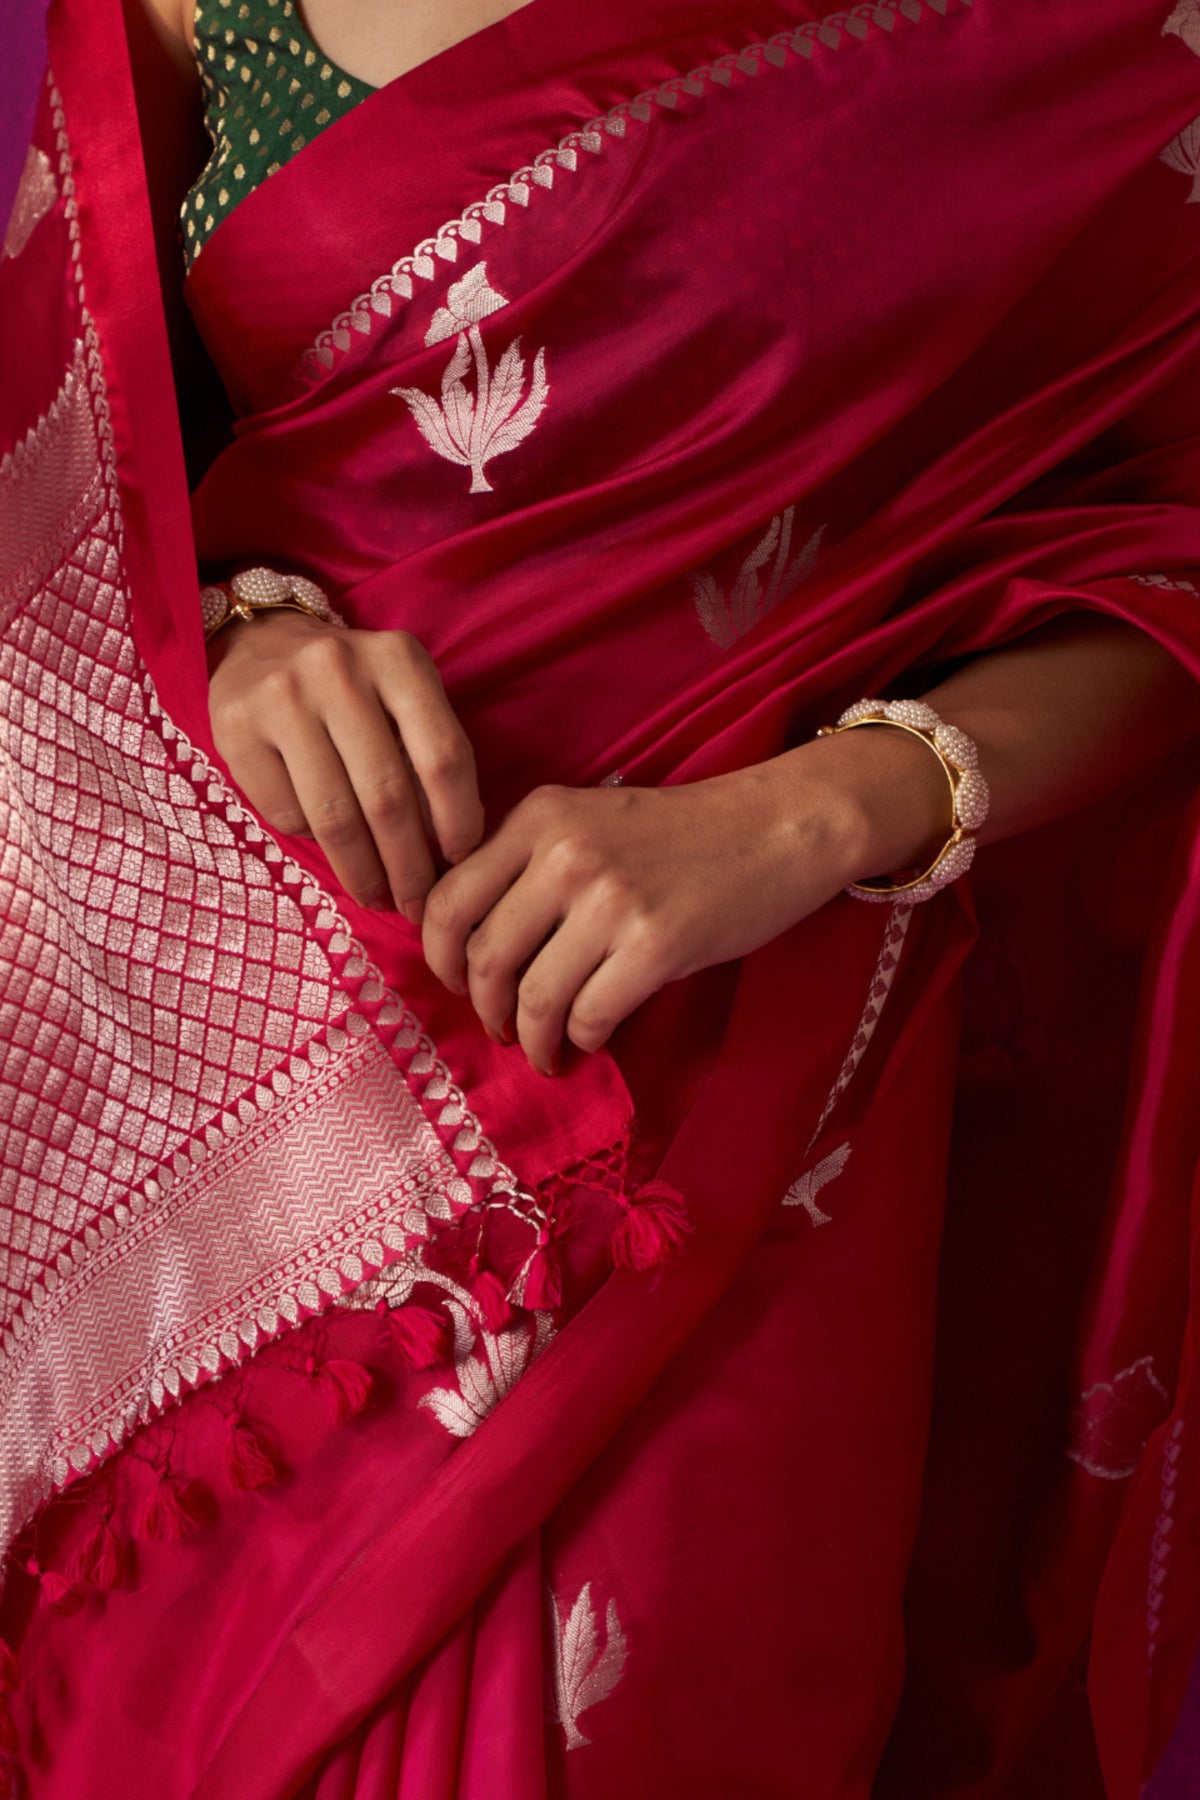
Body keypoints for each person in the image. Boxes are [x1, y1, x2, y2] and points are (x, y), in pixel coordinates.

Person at [1, 0, 1199, 1792]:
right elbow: (67, 482)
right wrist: (243, 632)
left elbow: (1172, 528)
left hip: (735, 1102)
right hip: (236, 1161)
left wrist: (814, 813)